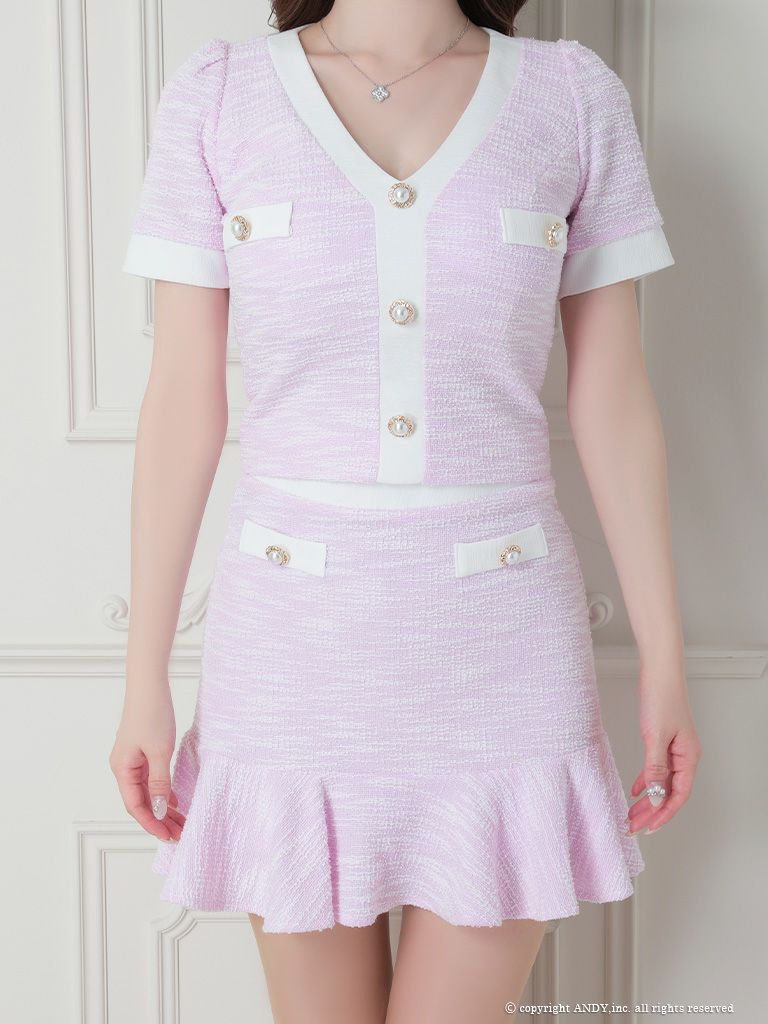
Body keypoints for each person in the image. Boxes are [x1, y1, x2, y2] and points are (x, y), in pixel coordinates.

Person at [110, 1, 702, 1019]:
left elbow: (613, 401)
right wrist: (143, 680)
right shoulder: (220, 97)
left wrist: (666, 660)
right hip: (290, 654)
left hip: (504, 652)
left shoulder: (570, 98)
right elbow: (179, 401)